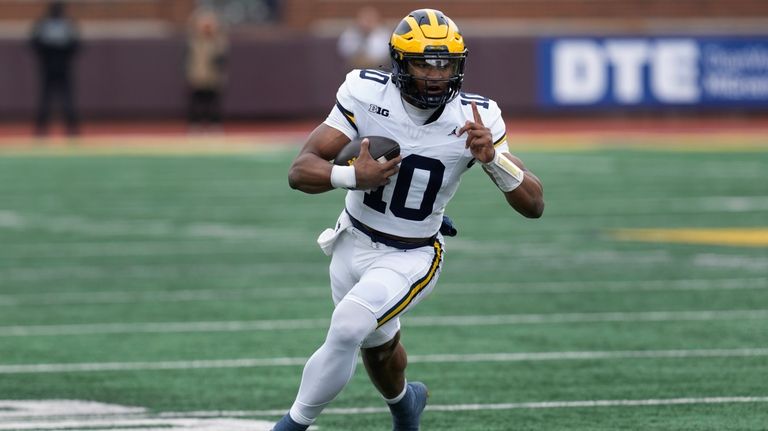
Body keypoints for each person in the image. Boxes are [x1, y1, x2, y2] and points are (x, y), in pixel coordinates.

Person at [276, 9, 544, 431]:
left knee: (348, 326)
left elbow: (534, 204)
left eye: (446, 64)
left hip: (412, 253)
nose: (436, 75)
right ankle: (406, 409)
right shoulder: (365, 92)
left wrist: (492, 160)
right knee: (378, 349)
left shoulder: (478, 116)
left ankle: (291, 425)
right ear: (399, 62)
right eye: (423, 62)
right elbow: (300, 170)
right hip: (351, 240)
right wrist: (351, 176)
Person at [30, 0, 80, 137]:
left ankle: (70, 130)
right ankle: (44, 130)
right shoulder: (58, 24)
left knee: (62, 99)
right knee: (52, 99)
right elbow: (33, 43)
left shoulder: (58, 24)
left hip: (56, 67)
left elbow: (76, 44)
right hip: (54, 67)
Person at [185, 10, 228, 132]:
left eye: (209, 26)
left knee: (213, 103)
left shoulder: (218, 41)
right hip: (197, 77)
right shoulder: (194, 41)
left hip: (213, 78)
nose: (206, 28)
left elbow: (222, 59)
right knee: (196, 103)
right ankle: (194, 125)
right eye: (204, 26)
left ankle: (215, 125)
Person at [337, 6, 391, 70]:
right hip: (353, 68)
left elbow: (383, 54)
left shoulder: (383, 34)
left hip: (377, 68)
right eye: (365, 19)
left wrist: (368, 60)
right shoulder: (351, 33)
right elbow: (344, 50)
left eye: (370, 19)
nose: (367, 23)